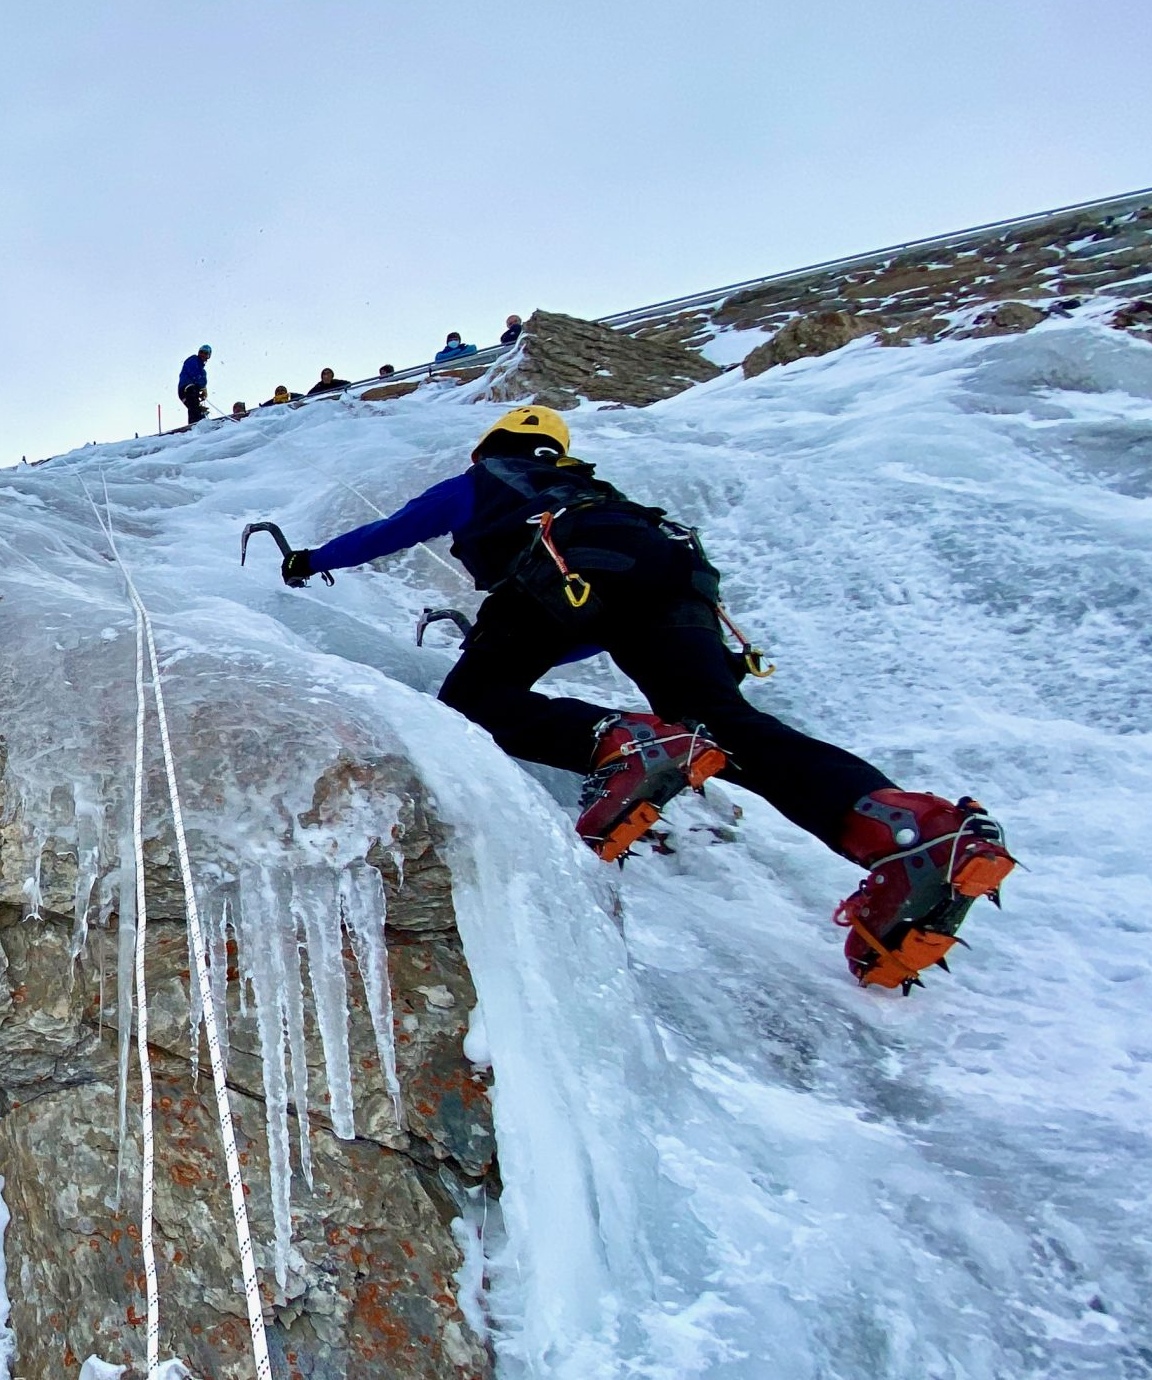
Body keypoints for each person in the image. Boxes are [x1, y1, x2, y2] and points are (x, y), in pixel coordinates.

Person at [273, 404, 1013, 989]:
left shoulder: (488, 478)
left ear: (492, 445)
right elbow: (605, 621)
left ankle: (624, 744)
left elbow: (397, 529)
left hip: (564, 570)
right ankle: (909, 830)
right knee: (724, 725)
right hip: (674, 577)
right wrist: (535, 637)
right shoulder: (600, 493)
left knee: (474, 702)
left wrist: (311, 560)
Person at [178, 346, 212, 426]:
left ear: (208, 356)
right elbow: (194, 373)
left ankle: (200, 420)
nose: (203, 355)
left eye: (205, 353)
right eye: (201, 352)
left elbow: (202, 381)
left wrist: (203, 390)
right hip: (186, 388)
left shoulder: (203, 372)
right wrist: (202, 387)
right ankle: (194, 425)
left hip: (191, 390)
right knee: (193, 405)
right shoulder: (193, 359)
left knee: (196, 408)